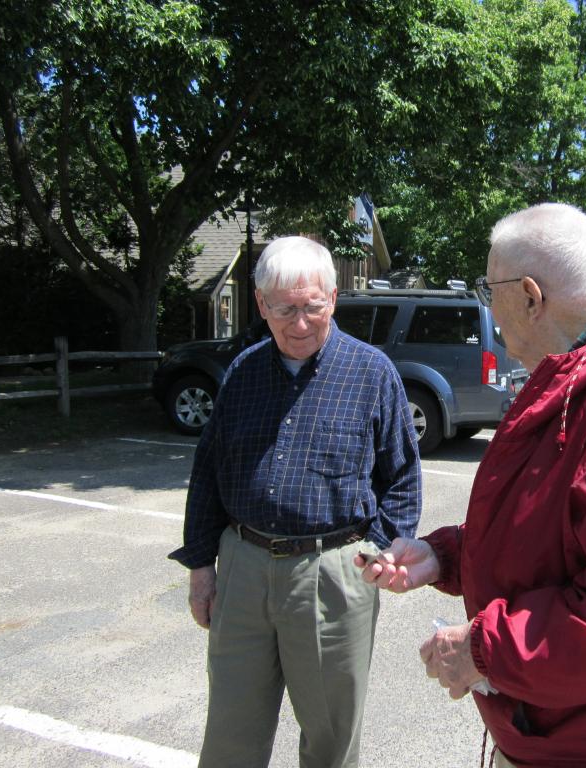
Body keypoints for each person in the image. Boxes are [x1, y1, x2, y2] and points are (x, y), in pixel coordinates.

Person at [359, 203, 586, 767]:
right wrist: (446, 557)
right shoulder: (581, 376)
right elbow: (553, 530)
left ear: (531, 297)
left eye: (492, 293)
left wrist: (483, 651)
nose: (491, 313)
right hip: (576, 732)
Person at [170, 236, 422, 767]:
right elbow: (209, 474)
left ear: (333, 297)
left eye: (313, 306)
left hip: (333, 571)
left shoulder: (372, 372)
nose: (301, 322)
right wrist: (201, 567)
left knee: (331, 736)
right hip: (243, 564)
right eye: (285, 308)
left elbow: (401, 475)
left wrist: (377, 548)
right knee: (230, 735)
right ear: (261, 304)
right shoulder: (241, 373)